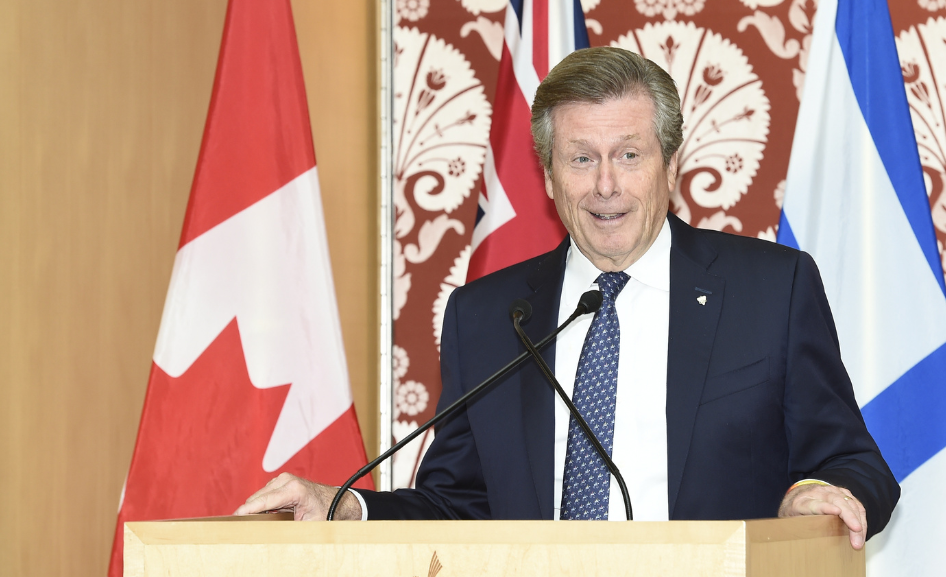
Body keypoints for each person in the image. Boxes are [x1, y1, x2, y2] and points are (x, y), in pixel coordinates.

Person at [238, 46, 899, 548]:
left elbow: (853, 460)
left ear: (669, 163)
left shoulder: (770, 291)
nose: (606, 185)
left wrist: (813, 493)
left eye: (629, 155)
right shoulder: (489, 317)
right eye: (581, 159)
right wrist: (351, 507)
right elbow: (459, 501)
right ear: (549, 177)